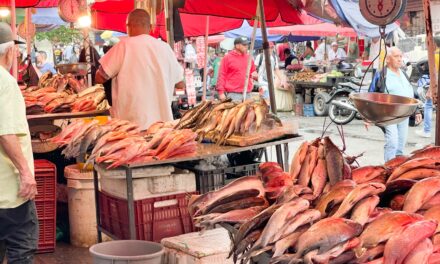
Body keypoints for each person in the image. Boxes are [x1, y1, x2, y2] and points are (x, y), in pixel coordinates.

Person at [95, 9, 184, 131]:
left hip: (130, 127)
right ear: (150, 27)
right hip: (162, 128)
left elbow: (99, 77)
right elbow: (180, 83)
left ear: (128, 26)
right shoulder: (165, 48)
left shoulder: (123, 46)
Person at [0, 22, 38, 264]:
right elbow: (5, 133)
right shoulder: (4, 82)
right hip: (8, 191)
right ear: (9, 51)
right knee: (21, 248)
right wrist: (26, 173)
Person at [368, 47, 422, 162]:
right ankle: (388, 168)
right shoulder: (381, 74)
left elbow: (411, 95)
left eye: (401, 56)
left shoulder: (403, 74)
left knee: (400, 144)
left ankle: (396, 168)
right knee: (392, 141)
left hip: (404, 114)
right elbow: (371, 95)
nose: (399, 59)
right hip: (388, 114)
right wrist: (367, 115)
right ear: (387, 59)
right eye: (396, 56)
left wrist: (416, 111)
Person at [216, 36, 257, 102]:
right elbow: (221, 75)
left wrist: (255, 75)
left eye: (247, 44)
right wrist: (221, 92)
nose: (246, 46)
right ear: (237, 46)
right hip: (233, 94)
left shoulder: (249, 58)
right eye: (244, 45)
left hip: (247, 93)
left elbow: (253, 72)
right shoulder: (227, 58)